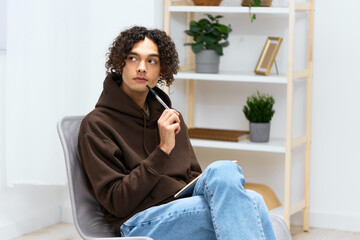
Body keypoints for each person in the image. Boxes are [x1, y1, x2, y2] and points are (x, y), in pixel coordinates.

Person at [78, 26, 276, 239]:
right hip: (138, 221)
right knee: (252, 204)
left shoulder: (171, 118)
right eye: (133, 58)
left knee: (225, 170)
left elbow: (193, 177)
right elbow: (118, 202)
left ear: (162, 70)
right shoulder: (97, 125)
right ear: (121, 63)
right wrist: (163, 150)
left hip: (183, 206)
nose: (142, 68)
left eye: (152, 61)